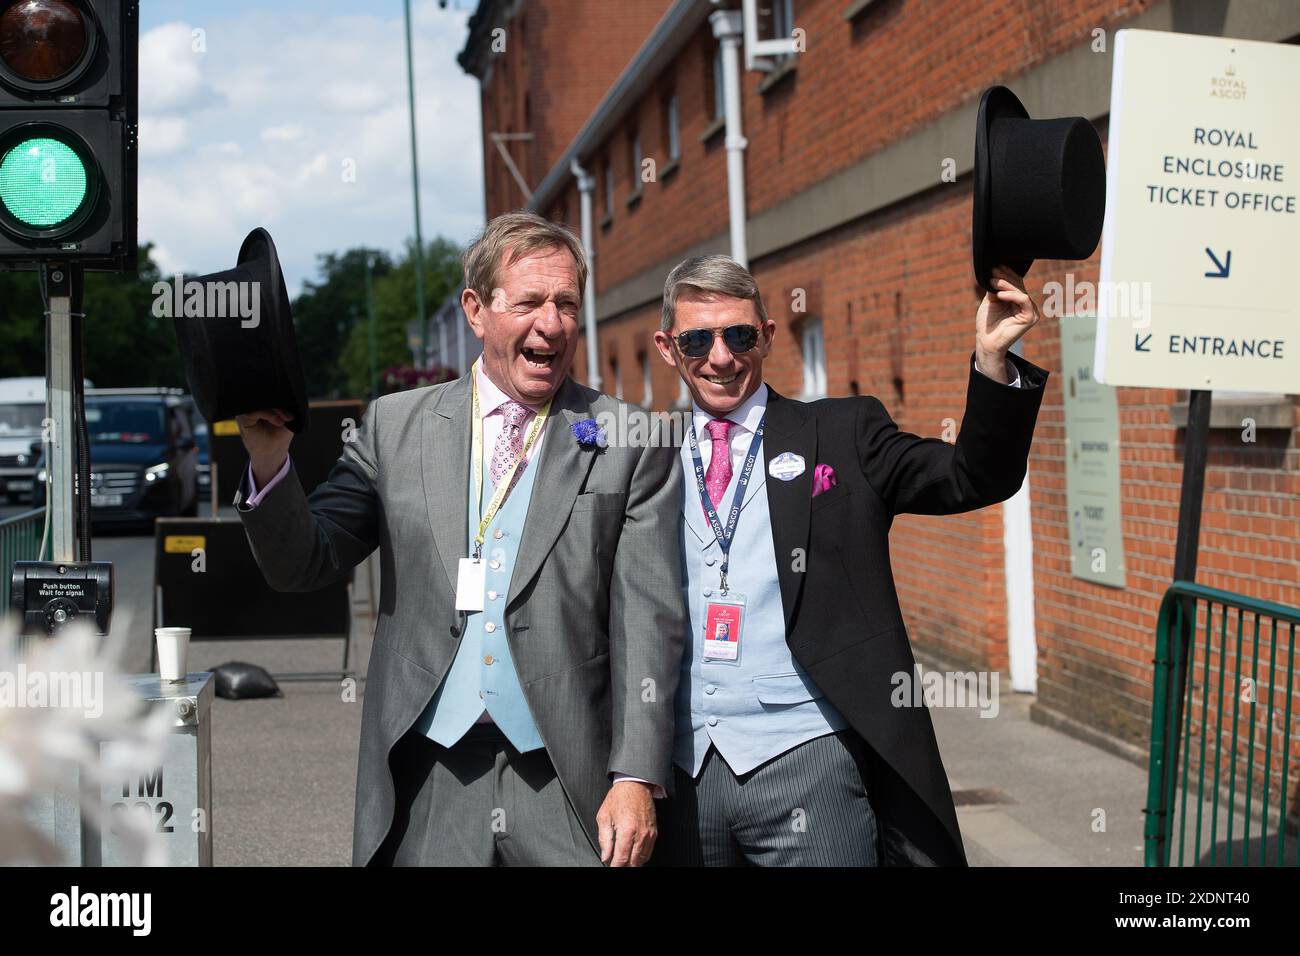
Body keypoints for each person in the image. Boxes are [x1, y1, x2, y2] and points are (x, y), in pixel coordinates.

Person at [233, 211, 686, 866]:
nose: (552, 324)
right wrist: (270, 462)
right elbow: (307, 560)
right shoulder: (395, 426)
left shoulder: (623, 437)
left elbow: (650, 623)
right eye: (530, 302)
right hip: (428, 777)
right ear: (477, 311)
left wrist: (635, 776)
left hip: (566, 778)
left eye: (566, 304)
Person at [650, 255, 1047, 866]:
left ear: (769, 336)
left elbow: (972, 477)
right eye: (698, 339)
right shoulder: (642, 456)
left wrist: (993, 362)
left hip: (808, 763)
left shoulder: (842, 432)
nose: (722, 357)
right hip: (680, 775)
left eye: (740, 335)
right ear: (668, 348)